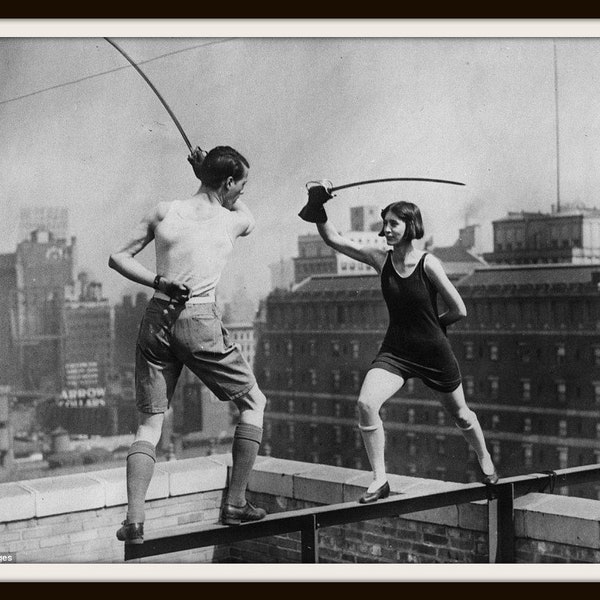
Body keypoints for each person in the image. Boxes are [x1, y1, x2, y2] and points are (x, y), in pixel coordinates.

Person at [298, 184, 498, 504]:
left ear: (411, 226)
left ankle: (485, 457)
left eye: (394, 224)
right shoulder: (381, 259)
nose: (386, 230)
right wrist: (318, 204)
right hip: (396, 351)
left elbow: (459, 309)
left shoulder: (428, 264)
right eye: (385, 223)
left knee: (461, 415)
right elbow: (333, 239)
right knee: (365, 404)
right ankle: (380, 479)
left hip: (433, 350)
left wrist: (435, 326)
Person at [109, 146, 268, 543]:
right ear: (228, 183)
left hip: (158, 315)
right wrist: (211, 179)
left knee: (150, 424)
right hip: (198, 320)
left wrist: (160, 282)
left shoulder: (164, 212)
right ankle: (236, 503)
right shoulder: (229, 222)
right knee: (254, 403)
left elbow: (117, 257)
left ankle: (135, 520)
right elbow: (248, 218)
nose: (240, 197)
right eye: (240, 187)